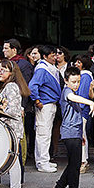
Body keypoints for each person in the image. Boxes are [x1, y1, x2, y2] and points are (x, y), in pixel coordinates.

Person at [51, 66, 94, 188]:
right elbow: (72, 97)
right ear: (66, 81)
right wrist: (90, 102)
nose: (76, 84)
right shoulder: (67, 92)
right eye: (73, 81)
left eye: (78, 81)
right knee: (75, 166)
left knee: (73, 164)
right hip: (69, 133)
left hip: (74, 133)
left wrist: (81, 134)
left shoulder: (72, 92)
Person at [0, 59, 29, 188]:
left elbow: (13, 111)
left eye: (3, 70)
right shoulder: (11, 86)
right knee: (12, 163)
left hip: (11, 129)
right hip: (12, 129)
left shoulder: (10, 86)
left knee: (14, 164)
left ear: (11, 73)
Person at [29, 45, 62, 173]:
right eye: (52, 55)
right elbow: (32, 86)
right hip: (45, 105)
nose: (55, 57)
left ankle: (44, 160)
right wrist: (37, 100)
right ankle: (42, 163)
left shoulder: (48, 68)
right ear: (44, 56)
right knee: (43, 134)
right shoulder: (42, 69)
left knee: (45, 133)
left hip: (50, 103)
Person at [75, 55, 94, 174]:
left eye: (79, 62)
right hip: (79, 110)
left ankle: (83, 161)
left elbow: (82, 95)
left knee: (81, 136)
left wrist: (78, 108)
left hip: (81, 110)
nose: (76, 64)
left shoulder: (85, 76)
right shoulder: (82, 75)